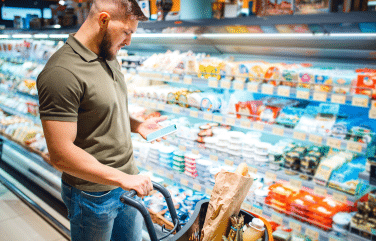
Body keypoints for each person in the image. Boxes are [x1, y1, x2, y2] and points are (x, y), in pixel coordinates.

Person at [37, 0, 166, 240]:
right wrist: (122, 178)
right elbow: (60, 154)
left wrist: (137, 125)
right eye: (127, 32)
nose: (129, 41)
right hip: (93, 196)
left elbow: (103, 107)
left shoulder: (107, 54)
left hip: (127, 185)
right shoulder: (61, 73)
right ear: (104, 20)